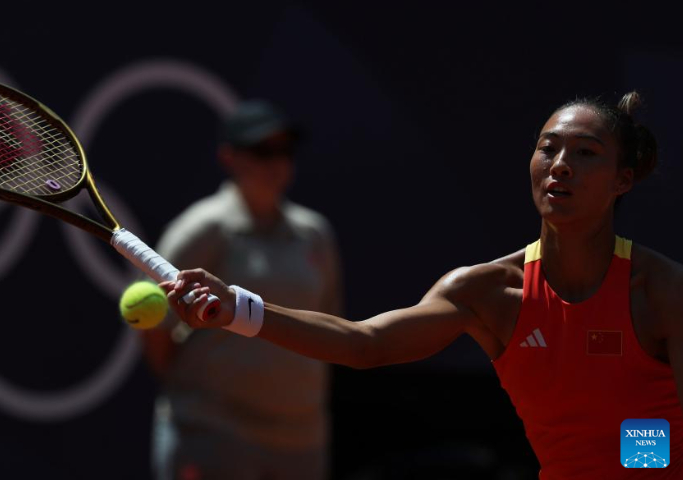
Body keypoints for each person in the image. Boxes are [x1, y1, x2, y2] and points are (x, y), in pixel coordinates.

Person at [163, 92, 683, 479]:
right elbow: (364, 344)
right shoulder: (485, 294)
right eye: (548, 149)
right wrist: (235, 307)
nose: (561, 166)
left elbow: (644, 439)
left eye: (587, 153)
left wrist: (641, 456)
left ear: (623, 179)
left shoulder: (660, 291)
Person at [142, 100, 343, 480]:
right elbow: (156, 329)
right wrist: (196, 395)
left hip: (301, 440)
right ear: (229, 158)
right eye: (261, 150)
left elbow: (331, 326)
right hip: (214, 433)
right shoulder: (202, 229)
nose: (276, 162)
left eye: (284, 151)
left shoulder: (316, 234)